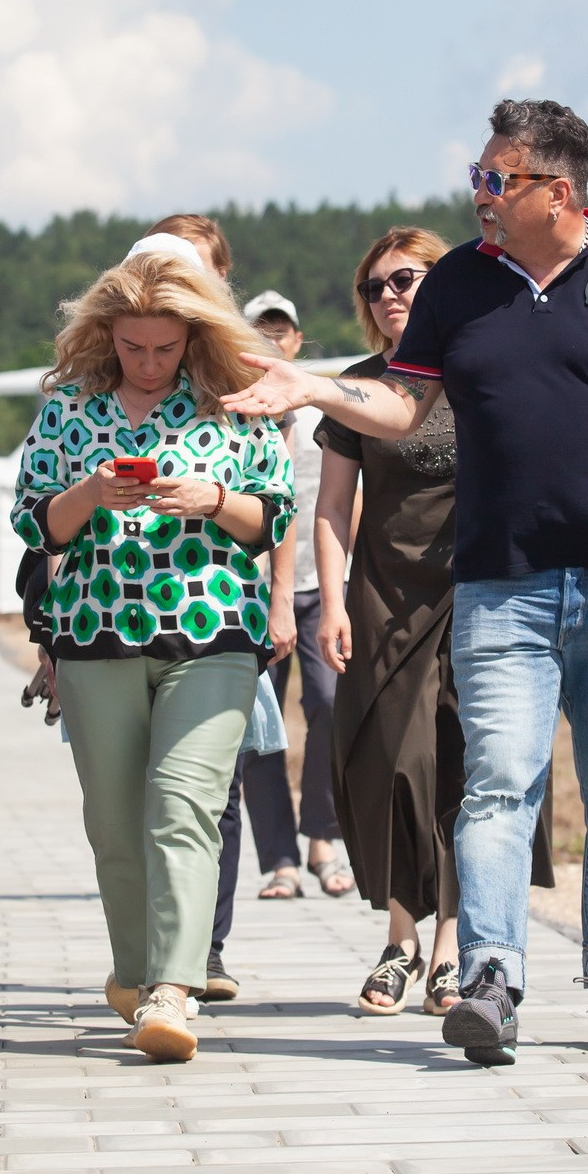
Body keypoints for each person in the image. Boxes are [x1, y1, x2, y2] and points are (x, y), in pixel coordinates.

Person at [225, 98, 588, 1067]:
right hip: (498, 582)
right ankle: (490, 976)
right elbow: (402, 400)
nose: (480, 194)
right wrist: (315, 389)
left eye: (498, 179)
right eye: (477, 174)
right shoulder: (459, 281)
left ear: (561, 188)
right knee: (498, 782)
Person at [10, 250, 294, 1062]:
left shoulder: (238, 407)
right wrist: (91, 493)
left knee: (184, 806)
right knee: (113, 821)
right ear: (106, 337)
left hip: (214, 635)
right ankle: (136, 975)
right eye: (133, 346)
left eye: (164, 347)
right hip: (96, 633)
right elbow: (34, 525)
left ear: (195, 337)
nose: (148, 361)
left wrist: (212, 499)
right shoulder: (70, 408)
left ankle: (175, 987)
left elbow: (274, 517)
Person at [313, 226, 552, 1015]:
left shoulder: (480, 372)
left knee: (466, 763)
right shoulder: (355, 386)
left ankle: (450, 947)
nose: (389, 296)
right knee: (391, 764)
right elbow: (332, 508)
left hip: (480, 590)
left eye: (406, 279)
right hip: (383, 594)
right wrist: (331, 596)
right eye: (374, 285)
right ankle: (398, 935)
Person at [240, 290, 348, 903]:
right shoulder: (238, 412)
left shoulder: (314, 415)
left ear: (298, 342)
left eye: (282, 332)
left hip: (318, 585)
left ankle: (322, 838)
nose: (272, 340)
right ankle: (280, 858)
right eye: (261, 331)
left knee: (331, 706)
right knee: (262, 726)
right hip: (251, 594)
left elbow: (347, 499)